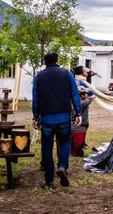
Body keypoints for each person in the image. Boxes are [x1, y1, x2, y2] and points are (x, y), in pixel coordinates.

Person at [32, 52, 82, 188]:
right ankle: (62, 167)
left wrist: (36, 117)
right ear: (57, 60)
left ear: (45, 62)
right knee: (65, 141)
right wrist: (78, 113)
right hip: (64, 116)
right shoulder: (67, 74)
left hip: (47, 118)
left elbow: (35, 98)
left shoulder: (39, 77)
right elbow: (74, 94)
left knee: (47, 147)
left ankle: (49, 180)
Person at [71, 86, 93, 157]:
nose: (86, 95)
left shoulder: (82, 101)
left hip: (82, 125)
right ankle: (75, 153)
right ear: (80, 95)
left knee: (80, 142)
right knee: (78, 142)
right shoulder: (76, 102)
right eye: (84, 94)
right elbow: (82, 105)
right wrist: (90, 98)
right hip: (77, 126)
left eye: (86, 94)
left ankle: (79, 152)